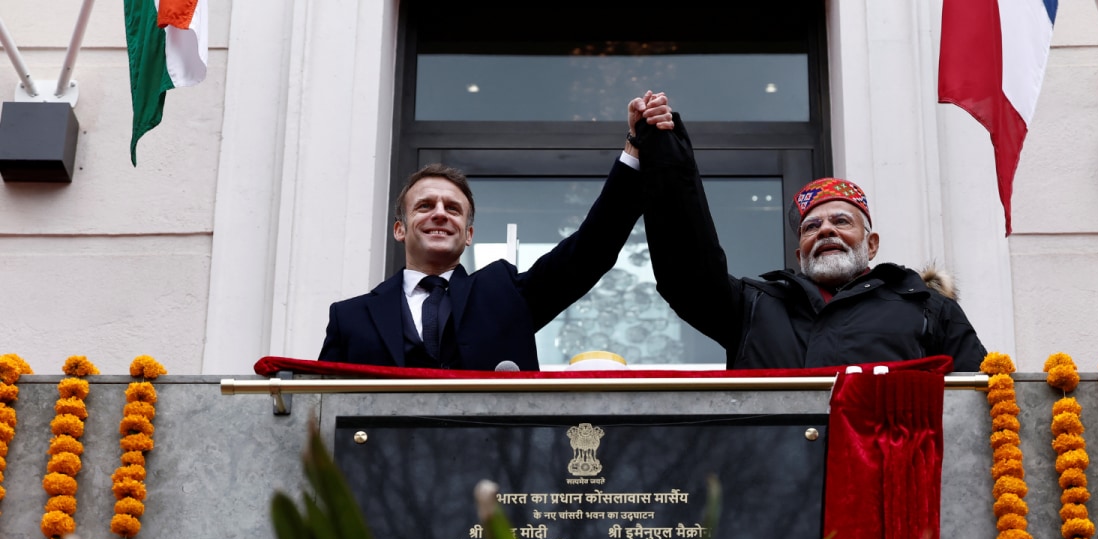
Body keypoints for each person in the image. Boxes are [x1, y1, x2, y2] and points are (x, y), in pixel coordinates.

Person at [318, 92, 674, 370]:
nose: (440, 214)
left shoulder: (504, 294)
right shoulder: (350, 317)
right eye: (425, 206)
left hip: (496, 459)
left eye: (453, 209)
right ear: (400, 229)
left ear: (469, 235)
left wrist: (635, 151)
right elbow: (316, 412)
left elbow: (589, 251)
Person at [634, 112, 987, 372]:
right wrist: (665, 152)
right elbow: (686, 272)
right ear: (799, 253)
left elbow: (976, 404)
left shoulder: (927, 308)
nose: (825, 231)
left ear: (872, 244)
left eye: (841, 221)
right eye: (811, 227)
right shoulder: (752, 306)